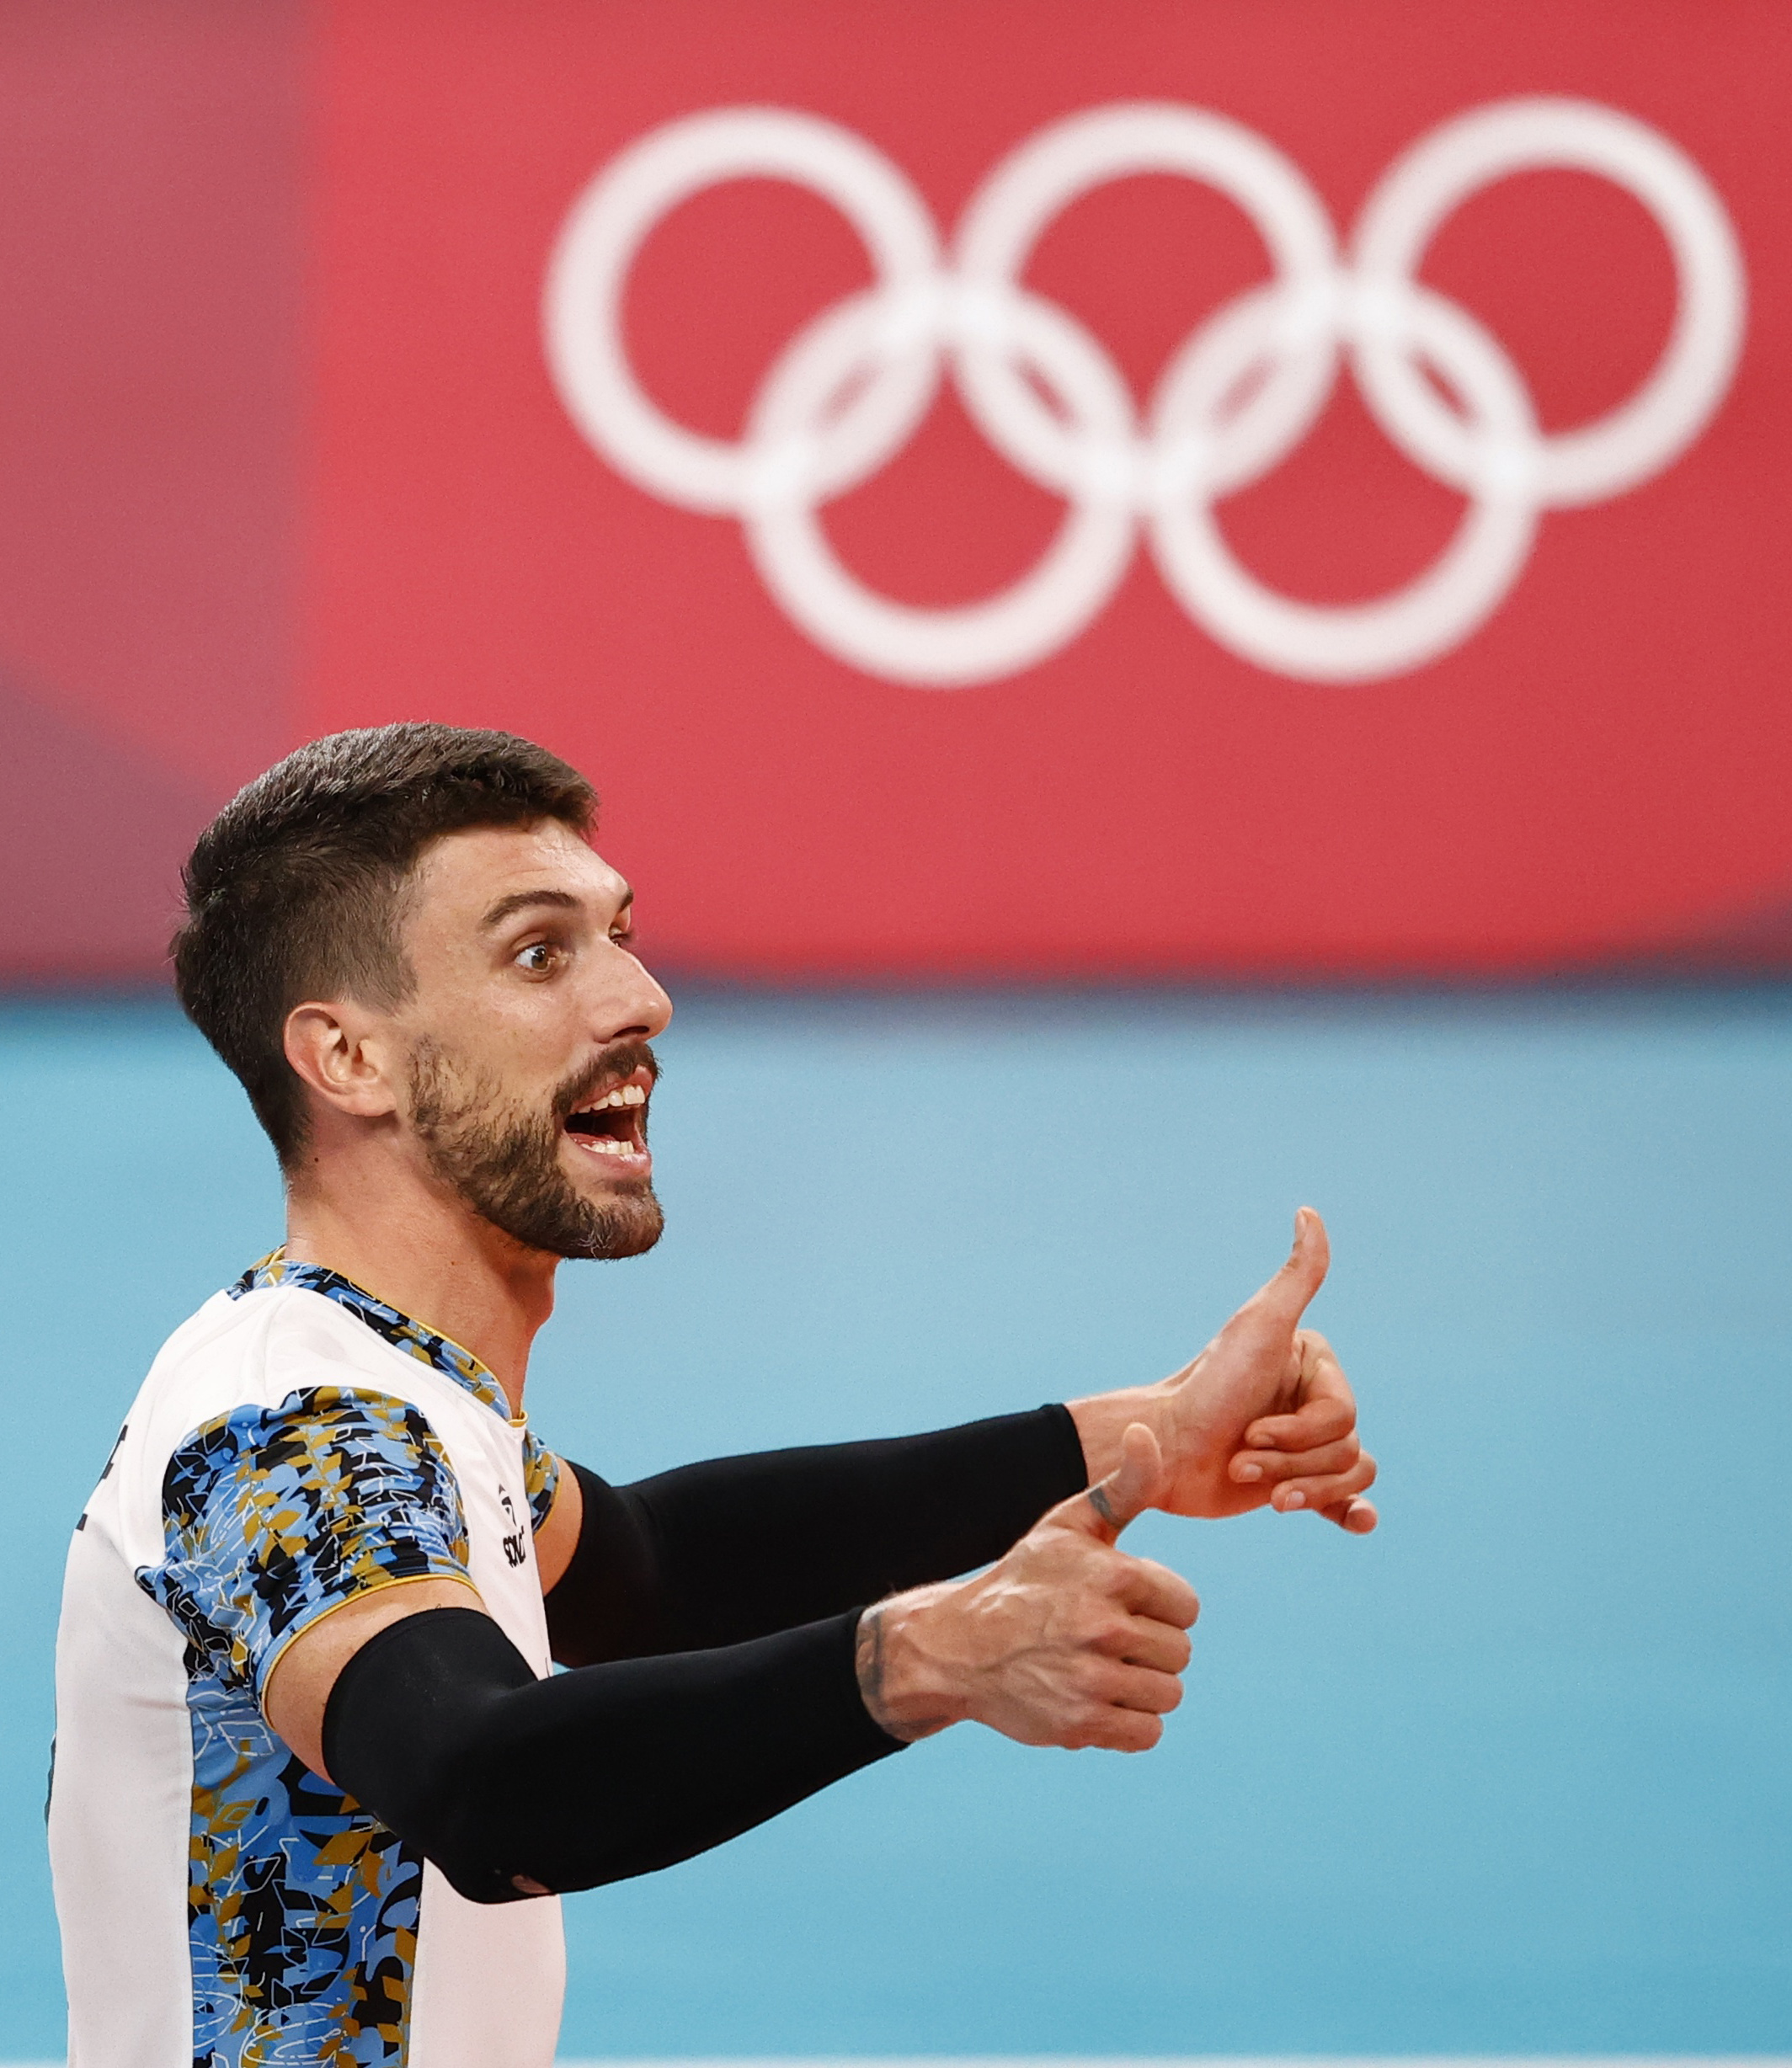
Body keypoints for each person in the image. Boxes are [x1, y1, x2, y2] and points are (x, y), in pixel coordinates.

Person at [49, 723, 1378, 2068]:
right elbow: (487, 1785)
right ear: (350, 1061)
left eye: (619, 933)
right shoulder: (295, 1425)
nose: (640, 998)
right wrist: (928, 1657)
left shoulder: (392, 1391)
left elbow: (645, 1569)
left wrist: (1139, 1434)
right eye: (538, 954)